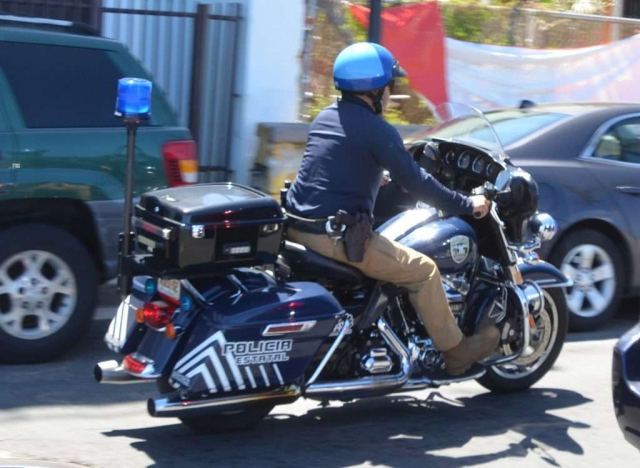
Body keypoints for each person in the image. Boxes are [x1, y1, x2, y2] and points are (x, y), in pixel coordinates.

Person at [285, 42, 499, 376]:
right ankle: (456, 352)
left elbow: (335, 165)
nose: (391, 93)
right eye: (390, 86)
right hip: (335, 237)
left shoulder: (326, 117)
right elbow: (419, 184)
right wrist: (466, 203)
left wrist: (376, 176)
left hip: (299, 227)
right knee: (425, 271)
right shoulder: (379, 131)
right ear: (375, 90)